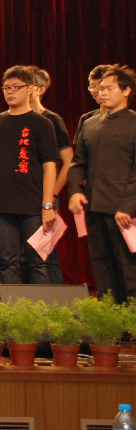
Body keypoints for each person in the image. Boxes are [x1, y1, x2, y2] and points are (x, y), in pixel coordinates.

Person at [0, 66, 59, 285]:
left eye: (16, 87)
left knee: (39, 261)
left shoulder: (42, 123)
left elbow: (50, 165)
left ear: (30, 89)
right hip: (1, 205)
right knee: (7, 261)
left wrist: (47, 204)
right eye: (6, 88)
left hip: (34, 205)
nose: (10, 92)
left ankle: (42, 307)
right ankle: (11, 307)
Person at [69, 64, 136, 303]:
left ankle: (130, 318)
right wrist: (75, 191)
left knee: (128, 268)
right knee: (102, 265)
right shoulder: (90, 123)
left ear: (126, 91)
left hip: (124, 211)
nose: (102, 92)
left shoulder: (133, 123)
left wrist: (127, 206)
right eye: (100, 88)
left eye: (109, 88)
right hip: (95, 206)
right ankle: (108, 317)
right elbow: (78, 163)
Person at [26, 66, 73, 284]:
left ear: (40, 89)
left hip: (45, 198)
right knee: (22, 256)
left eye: (29, 84)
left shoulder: (52, 120)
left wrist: (52, 194)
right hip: (21, 197)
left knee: (45, 253)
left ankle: (54, 302)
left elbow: (69, 162)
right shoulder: (14, 119)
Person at [73, 65, 111, 146]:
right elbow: (79, 149)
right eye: (92, 86)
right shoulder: (86, 119)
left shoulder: (129, 120)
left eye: (100, 86)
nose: (95, 90)